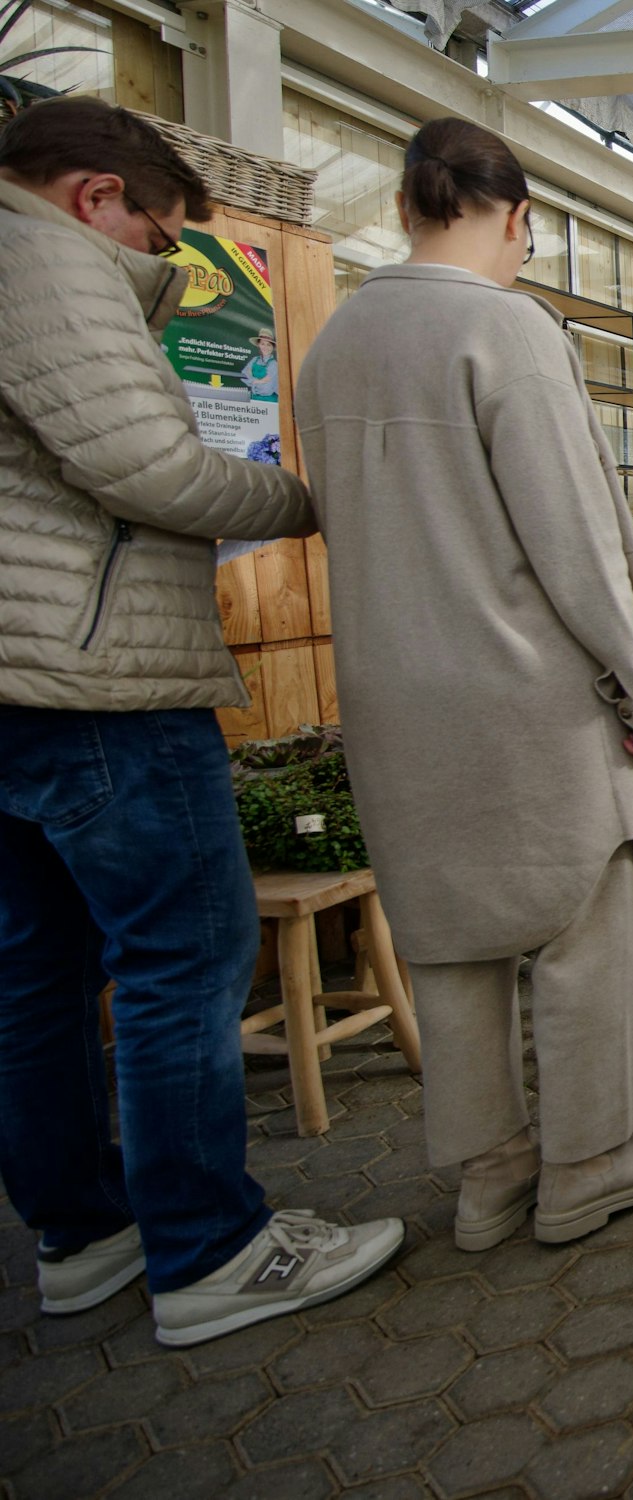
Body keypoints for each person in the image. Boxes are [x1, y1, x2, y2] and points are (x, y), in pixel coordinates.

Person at [0, 97, 403, 1347]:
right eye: (159, 235)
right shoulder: (46, 262)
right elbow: (149, 469)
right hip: (99, 679)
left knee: (37, 972)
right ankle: (210, 1249)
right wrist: (310, 496)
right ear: (92, 197)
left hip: (21, 682)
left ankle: (87, 1233)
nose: (164, 264)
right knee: (186, 956)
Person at [295, 117, 633, 1251]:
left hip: (395, 691)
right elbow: (571, 538)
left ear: (405, 208)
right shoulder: (507, 329)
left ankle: (488, 1176)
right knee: (588, 914)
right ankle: (590, 1160)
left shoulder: (332, 343)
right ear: (516, 216)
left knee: (450, 935)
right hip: (527, 686)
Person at [239, 328, 279, 398]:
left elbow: (267, 387)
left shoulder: (274, 364)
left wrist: (252, 381)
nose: (265, 347)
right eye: (262, 344)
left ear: (272, 347)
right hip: (254, 397)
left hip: (269, 399)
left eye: (268, 344)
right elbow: (245, 373)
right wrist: (259, 381)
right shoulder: (254, 360)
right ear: (259, 345)